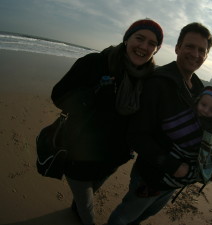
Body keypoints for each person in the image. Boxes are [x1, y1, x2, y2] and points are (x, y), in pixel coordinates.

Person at [107, 22, 212, 225]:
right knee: (125, 217)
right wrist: (173, 165)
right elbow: (136, 135)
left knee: (145, 215)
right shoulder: (158, 82)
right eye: (189, 46)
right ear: (177, 48)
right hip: (152, 175)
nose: (195, 54)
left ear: (206, 56)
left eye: (202, 50)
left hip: (174, 180)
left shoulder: (199, 89)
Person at [50, 18, 163, 225]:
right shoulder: (95, 62)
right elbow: (58, 95)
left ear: (155, 50)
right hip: (79, 155)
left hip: (113, 159)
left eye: (152, 44)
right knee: (86, 207)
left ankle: (76, 209)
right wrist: (92, 97)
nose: (144, 47)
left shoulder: (149, 80)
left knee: (92, 190)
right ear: (127, 39)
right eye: (140, 38)